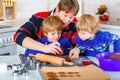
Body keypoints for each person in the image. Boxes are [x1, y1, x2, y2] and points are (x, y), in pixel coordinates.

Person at [13, 0, 80, 59]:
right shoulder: (39, 18)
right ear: (57, 9)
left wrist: (77, 49)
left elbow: (80, 43)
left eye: (71, 17)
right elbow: (18, 36)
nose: (67, 20)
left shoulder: (74, 23)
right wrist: (44, 47)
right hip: (37, 63)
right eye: (65, 15)